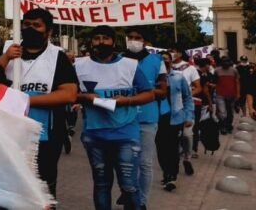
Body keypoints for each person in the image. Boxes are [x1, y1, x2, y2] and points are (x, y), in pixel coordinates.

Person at [0, 8, 78, 199]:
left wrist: (24, 101)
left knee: (42, 187)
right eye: (27, 24)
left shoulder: (58, 57)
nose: (30, 28)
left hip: (46, 136)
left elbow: (69, 94)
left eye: (37, 25)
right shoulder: (6, 51)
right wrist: (5, 58)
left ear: (48, 31)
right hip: (6, 132)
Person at [74, 25, 155, 210]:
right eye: (97, 38)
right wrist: (84, 97)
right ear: (91, 42)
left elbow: (149, 94)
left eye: (105, 38)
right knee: (101, 184)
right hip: (95, 134)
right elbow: (70, 93)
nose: (101, 42)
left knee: (128, 184)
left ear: (113, 42)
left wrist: (126, 101)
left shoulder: (129, 65)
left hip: (126, 134)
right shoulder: (79, 66)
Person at [121, 27, 168, 210]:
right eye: (130, 37)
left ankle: (141, 202)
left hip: (148, 119)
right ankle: (129, 195)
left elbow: (163, 92)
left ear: (145, 41)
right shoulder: (119, 60)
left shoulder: (157, 61)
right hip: (123, 118)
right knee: (125, 163)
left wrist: (142, 92)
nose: (133, 40)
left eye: (137, 37)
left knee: (145, 163)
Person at [156, 51, 194, 192]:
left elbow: (187, 98)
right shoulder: (153, 80)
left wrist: (189, 116)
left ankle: (172, 176)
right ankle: (166, 172)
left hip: (175, 119)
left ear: (171, 62)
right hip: (157, 119)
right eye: (161, 60)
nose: (164, 62)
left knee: (172, 149)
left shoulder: (178, 78)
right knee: (161, 149)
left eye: (166, 59)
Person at [213, 55, 240, 134]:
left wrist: (238, 93)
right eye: (224, 61)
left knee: (230, 111)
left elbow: (237, 82)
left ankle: (229, 125)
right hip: (220, 94)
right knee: (223, 112)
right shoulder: (217, 70)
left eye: (227, 61)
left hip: (231, 94)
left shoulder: (234, 71)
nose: (226, 63)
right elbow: (215, 81)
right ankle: (223, 127)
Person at [239, 55, 256, 119]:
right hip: (242, 86)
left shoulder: (251, 67)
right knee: (242, 100)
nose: (244, 62)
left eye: (245, 60)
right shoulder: (238, 67)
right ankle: (244, 113)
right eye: (243, 60)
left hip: (250, 85)